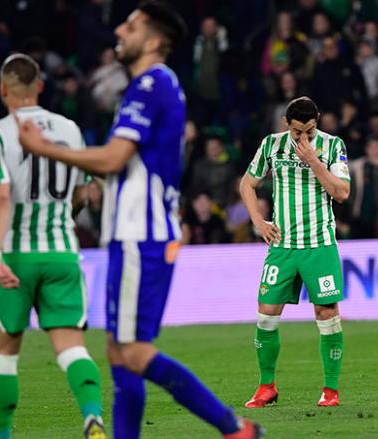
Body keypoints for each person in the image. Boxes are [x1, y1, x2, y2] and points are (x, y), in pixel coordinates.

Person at [16, 2, 263, 439]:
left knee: (131, 351)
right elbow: (126, 166)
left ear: (151, 41)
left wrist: (46, 149)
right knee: (118, 351)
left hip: (141, 237)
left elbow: (114, 158)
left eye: (130, 26)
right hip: (132, 234)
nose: (118, 29)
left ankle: (233, 427)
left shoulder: (151, 84)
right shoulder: (150, 87)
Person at [0, 54, 106, 438]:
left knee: (3, 355)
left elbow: (0, 196)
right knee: (72, 348)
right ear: (40, 86)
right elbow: (85, 189)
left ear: (3, 90)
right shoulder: (70, 129)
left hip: (15, 255)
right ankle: (92, 416)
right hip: (62, 252)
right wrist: (64, 219)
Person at [239, 96, 350, 408]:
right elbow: (247, 185)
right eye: (299, 133)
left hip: (319, 245)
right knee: (265, 316)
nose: (304, 139)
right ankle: (266, 388)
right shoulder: (271, 145)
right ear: (286, 124)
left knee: (327, 315)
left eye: (311, 132)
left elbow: (342, 192)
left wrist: (314, 160)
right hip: (282, 247)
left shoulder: (332, 146)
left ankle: (330, 391)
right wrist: (258, 221)